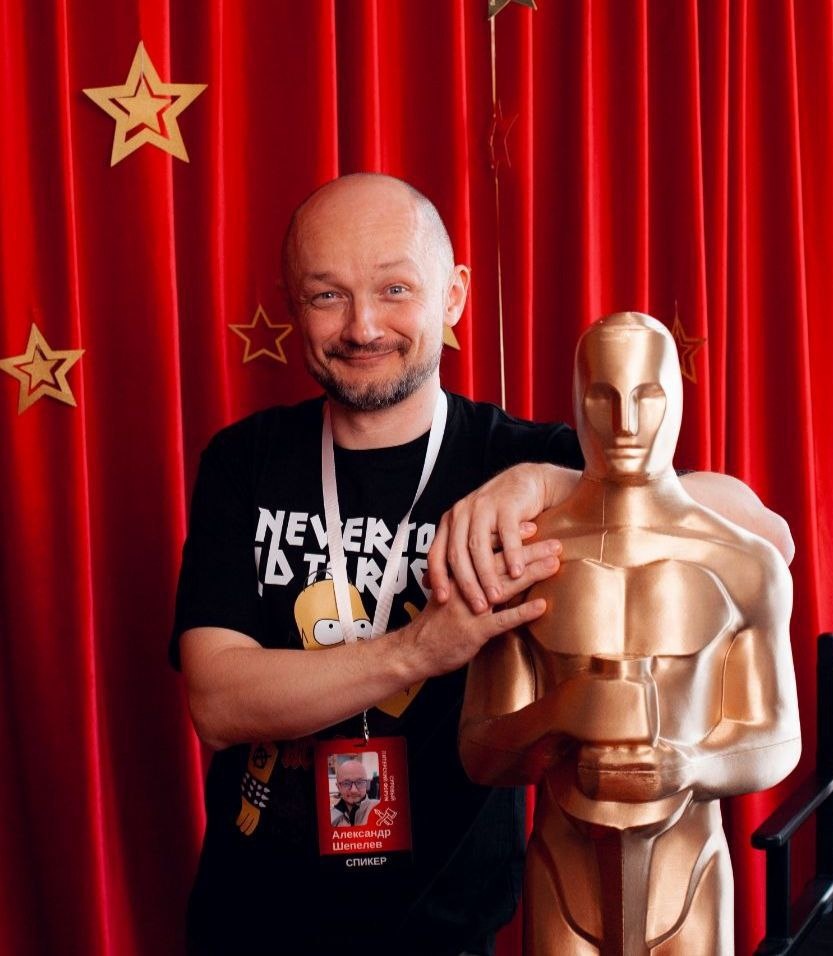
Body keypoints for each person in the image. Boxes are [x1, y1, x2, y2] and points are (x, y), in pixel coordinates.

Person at [171, 173, 793, 955]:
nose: (363, 326)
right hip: (253, 921)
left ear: (455, 295)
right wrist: (418, 650)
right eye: (328, 295)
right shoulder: (246, 459)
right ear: (293, 304)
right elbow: (218, 701)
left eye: (395, 288)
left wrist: (549, 482)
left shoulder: (525, 462)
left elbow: (763, 534)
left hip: (452, 927)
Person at [459, 314, 800, 954]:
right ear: (576, 399)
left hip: (690, 871)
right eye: (603, 397)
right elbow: (480, 753)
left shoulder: (743, 562)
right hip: (561, 871)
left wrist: (690, 764)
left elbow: (779, 739)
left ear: (677, 401)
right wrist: (559, 715)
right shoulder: (526, 560)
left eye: (647, 396)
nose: (624, 423)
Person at [330, 759, 380, 827]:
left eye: (360, 782)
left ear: (366, 784)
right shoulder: (331, 818)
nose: (354, 790)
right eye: (346, 783)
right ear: (338, 787)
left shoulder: (380, 808)